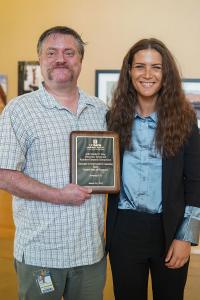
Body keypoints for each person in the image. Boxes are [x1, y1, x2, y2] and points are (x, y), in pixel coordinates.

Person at [0, 26, 107, 300]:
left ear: (80, 60)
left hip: (90, 252)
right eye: (52, 52)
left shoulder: (101, 111)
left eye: (69, 52)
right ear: (40, 59)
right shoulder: (19, 110)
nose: (60, 59)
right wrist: (59, 195)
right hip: (41, 254)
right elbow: (3, 174)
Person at [106, 38, 200, 300]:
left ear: (165, 73)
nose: (147, 74)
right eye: (140, 66)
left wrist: (187, 238)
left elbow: (196, 183)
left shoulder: (185, 121)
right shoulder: (112, 119)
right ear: (129, 72)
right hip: (124, 230)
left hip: (169, 230)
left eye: (156, 67)